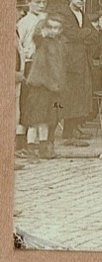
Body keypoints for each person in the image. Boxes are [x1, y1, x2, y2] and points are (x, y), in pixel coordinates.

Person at [53, 0, 100, 145]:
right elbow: (71, 34)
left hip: (81, 59)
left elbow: (95, 35)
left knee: (80, 95)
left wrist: (85, 34)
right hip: (69, 61)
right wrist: (86, 33)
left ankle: (74, 128)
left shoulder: (81, 13)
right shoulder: (63, 14)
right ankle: (68, 134)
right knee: (70, 96)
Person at [20, 14, 67, 159]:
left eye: (58, 28)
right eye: (51, 27)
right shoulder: (42, 41)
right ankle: (29, 148)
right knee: (35, 119)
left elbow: (60, 65)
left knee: (48, 119)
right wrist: (42, 29)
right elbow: (36, 37)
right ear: (46, 28)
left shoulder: (61, 43)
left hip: (54, 86)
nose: (54, 31)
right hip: (40, 85)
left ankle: (43, 148)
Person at [16, 0, 49, 68]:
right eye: (38, 2)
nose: (42, 6)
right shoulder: (24, 22)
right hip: (30, 63)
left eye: (44, 2)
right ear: (28, 2)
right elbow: (18, 46)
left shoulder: (48, 20)